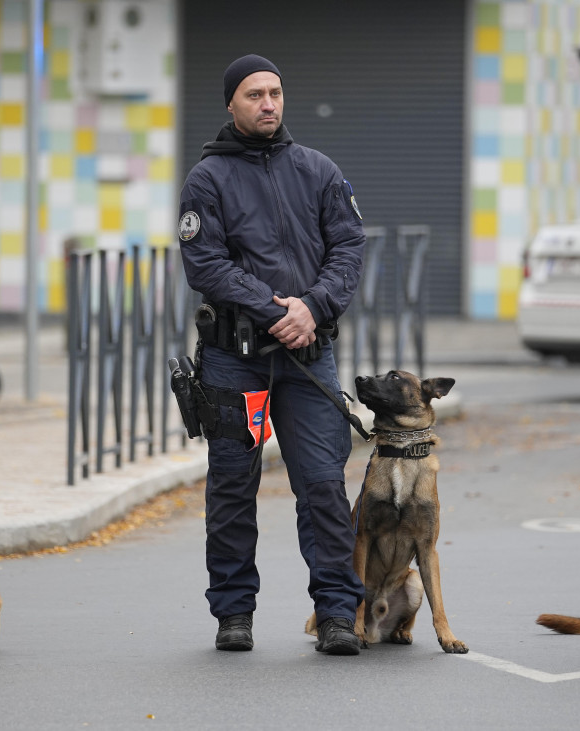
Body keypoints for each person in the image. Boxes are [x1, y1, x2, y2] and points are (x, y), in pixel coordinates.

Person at [177, 54, 367, 655]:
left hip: (308, 356)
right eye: (255, 94)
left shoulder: (319, 170)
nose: (268, 104)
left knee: (322, 484)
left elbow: (349, 248)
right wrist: (276, 310)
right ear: (231, 103)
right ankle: (234, 613)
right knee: (233, 486)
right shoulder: (206, 180)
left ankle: (337, 613)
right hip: (235, 358)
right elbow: (205, 264)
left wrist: (312, 306)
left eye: (276, 93)